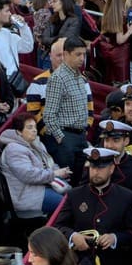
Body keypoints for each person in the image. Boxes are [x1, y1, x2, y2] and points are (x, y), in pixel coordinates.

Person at [42, 36, 93, 185]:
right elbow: (49, 115)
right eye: (78, 54)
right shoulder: (58, 78)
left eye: (84, 54)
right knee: (67, 182)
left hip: (80, 136)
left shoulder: (79, 76)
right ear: (66, 54)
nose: (82, 58)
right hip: (66, 137)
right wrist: (61, 138)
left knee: (77, 180)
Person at [0, 112, 70, 216]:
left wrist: (61, 172)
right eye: (29, 127)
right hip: (27, 195)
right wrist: (55, 174)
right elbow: (28, 175)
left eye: (35, 127)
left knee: (73, 196)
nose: (34, 130)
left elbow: (50, 163)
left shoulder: (36, 143)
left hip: (41, 186)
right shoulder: (13, 149)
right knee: (66, 205)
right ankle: (59, 230)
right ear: (19, 131)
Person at [0, 0, 34, 80]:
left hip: (13, 82)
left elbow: (27, 47)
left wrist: (23, 27)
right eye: (7, 11)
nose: (10, 14)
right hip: (0, 82)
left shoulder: (7, 33)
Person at [39, 0, 80, 69]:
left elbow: (65, 41)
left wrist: (52, 40)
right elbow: (44, 38)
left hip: (63, 58)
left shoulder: (74, 21)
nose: (51, 4)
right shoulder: (52, 19)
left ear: (63, 3)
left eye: (54, 1)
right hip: (48, 56)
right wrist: (56, 39)